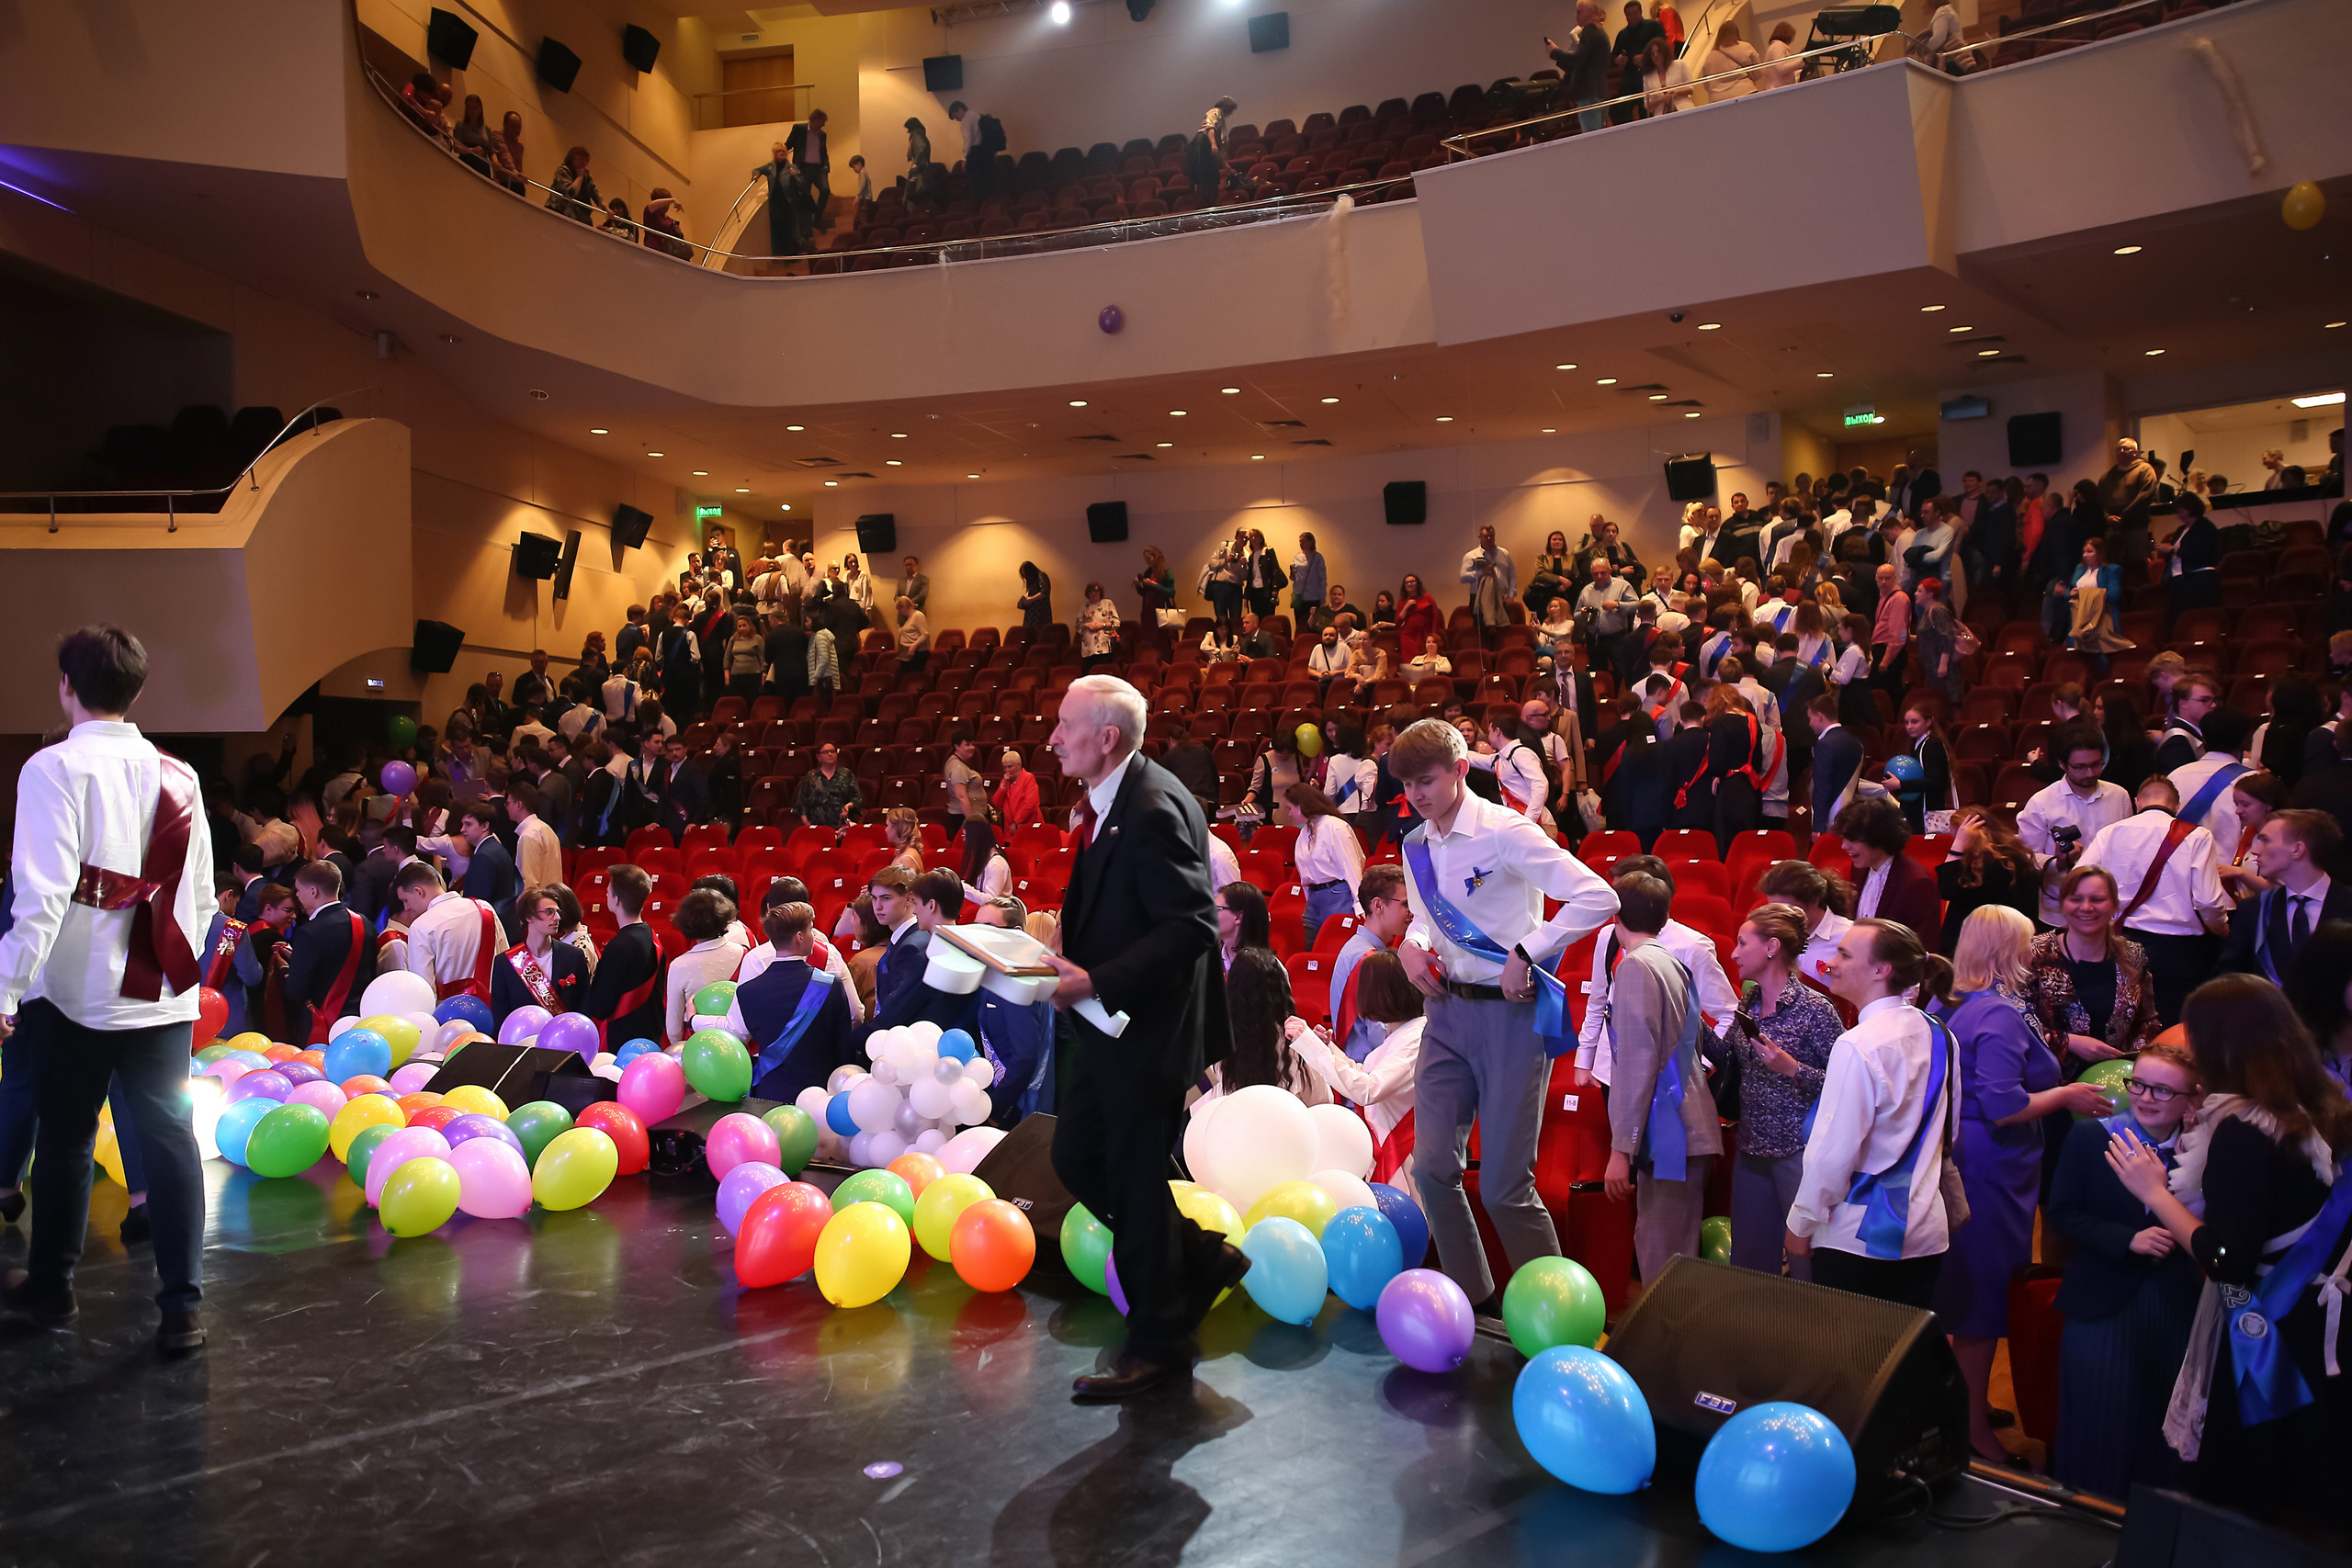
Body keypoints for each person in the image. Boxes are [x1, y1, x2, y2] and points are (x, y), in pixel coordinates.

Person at [0, 627, 211, 1352]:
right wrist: (176, 972)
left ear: (66, 684)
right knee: (170, 1142)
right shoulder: (181, 774)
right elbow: (204, 897)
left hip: (76, 995)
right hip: (162, 995)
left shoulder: (51, 768)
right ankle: (183, 1308)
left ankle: (54, 1294)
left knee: (65, 1139)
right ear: (138, 691)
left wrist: (5, 989)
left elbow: (42, 893)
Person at [1035, 675, 1242, 1400]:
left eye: (1065, 725)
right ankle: (1200, 1257)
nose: (1054, 737)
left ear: (1107, 737)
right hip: (1113, 1023)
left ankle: (1158, 1345)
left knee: (1125, 1171)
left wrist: (1091, 980)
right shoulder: (1121, 796)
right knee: (1079, 1153)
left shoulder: (1150, 805)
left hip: (1144, 1028)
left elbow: (1191, 926)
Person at [2104, 975, 2352, 1527]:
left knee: (2253, 1491)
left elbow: (2226, 1260)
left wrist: (2154, 1193)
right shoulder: (2319, 1104)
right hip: (2321, 1321)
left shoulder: (2244, 1129)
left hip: (2271, 1331)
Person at [1389, 718, 1619, 1308]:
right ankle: (1477, 1304)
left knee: (1504, 1187)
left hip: (1511, 1017)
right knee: (1433, 1169)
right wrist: (1411, 944)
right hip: (1445, 1016)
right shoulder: (1415, 845)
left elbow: (1600, 897)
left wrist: (1528, 951)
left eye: (1427, 780)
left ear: (1461, 770)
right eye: (1408, 783)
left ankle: (1560, 1316)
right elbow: (1425, 917)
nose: (1417, 794)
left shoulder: (1506, 831)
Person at [1928, 907, 2117, 1461]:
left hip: (1962, 1153)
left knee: (1960, 1287)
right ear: (2008, 949)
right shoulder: (2001, 1013)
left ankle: (1964, 1403)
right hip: (1992, 1165)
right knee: (1984, 1295)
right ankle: (1970, 1429)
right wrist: (2068, 1096)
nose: (2035, 953)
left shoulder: (1945, 1000)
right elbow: (2005, 1105)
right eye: (2029, 944)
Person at [2046, 1038, 2206, 1497]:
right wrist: (2125, 1239)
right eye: (2139, 1085)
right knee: (2099, 1424)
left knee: (2164, 1427)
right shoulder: (2091, 1137)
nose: (2145, 1098)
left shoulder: (2203, 1152)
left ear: (2190, 1099)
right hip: (2102, 1300)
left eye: (2162, 1091)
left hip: (2175, 1303)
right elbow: (2062, 1213)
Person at [1785, 919, 1958, 1306]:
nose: (1832, 962)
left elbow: (1833, 1153)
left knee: (1850, 1362)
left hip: (1857, 1237)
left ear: (1882, 970)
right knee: (1901, 1361)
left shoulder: (1858, 1044)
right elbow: (1950, 1132)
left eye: (1845, 954)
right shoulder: (1940, 1033)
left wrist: (1801, 1221)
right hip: (1927, 1232)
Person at [1593, 873, 1722, 1281]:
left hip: (1671, 1131)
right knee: (1672, 1258)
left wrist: (1620, 1149)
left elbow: (1635, 1064)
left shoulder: (1635, 967)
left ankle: (1668, 1346)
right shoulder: (1672, 962)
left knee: (1663, 1263)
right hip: (1684, 1126)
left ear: (1615, 913)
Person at [1721, 904, 1843, 1280]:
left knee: (1807, 1264)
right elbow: (1725, 1055)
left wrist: (1793, 1069)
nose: (1734, 952)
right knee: (1750, 1265)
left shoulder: (1815, 1009)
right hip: (1752, 1150)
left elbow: (1846, 1083)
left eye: (1743, 943)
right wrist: (1684, 1015)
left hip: (1798, 1155)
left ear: (1772, 947)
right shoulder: (1749, 1002)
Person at [2080, 776, 2228, 1026]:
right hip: (2178, 949)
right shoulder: (2197, 835)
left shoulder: (2110, 832)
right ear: (2177, 806)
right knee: (2172, 1023)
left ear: (2137, 802)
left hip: (2121, 941)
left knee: (2126, 1020)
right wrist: (2221, 929)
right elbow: (2207, 901)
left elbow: (2080, 877)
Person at [1288, 951, 1425, 1201]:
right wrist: (1326, 1047)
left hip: (1405, 1154)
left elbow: (1368, 1089)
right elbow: (1364, 1073)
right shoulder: (1401, 1034)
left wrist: (1311, 1045)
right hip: (1389, 1150)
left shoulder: (1415, 1037)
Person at [721, 900, 855, 1103]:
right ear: (799, 937)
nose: (814, 936)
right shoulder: (831, 985)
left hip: (769, 1095)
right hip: (820, 1095)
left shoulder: (747, 991)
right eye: (811, 930)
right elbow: (843, 1048)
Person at [2018, 722, 2134, 926]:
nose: (2090, 773)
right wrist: (2059, 862)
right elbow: (2026, 858)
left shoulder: (2119, 796)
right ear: (2062, 764)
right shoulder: (2041, 802)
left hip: (2109, 907)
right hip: (2059, 910)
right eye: (2080, 767)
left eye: (2096, 764)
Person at [2221, 809, 2352, 981]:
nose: (2255, 851)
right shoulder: (2253, 910)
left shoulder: (2348, 904)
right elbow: (2230, 978)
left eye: (2265, 840)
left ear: (2297, 849)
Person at [284, 861, 372, 1047]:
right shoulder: (364, 923)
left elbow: (295, 991)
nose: (297, 895)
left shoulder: (309, 932)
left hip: (321, 1024)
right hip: (361, 1021)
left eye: (299, 890)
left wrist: (287, 970)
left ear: (313, 891)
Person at [581, 865, 664, 1049]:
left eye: (608, 892)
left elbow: (601, 1007)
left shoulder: (618, 946)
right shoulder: (652, 937)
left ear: (617, 900)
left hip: (624, 1039)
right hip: (651, 1033)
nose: (606, 895)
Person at [1935, 807, 2039, 954]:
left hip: (1984, 947)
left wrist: (1956, 849)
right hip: (2012, 941)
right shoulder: (2013, 857)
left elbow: (1947, 889)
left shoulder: (1987, 865)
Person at [1833, 796, 1942, 934]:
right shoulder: (1861, 868)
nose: (1844, 846)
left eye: (1852, 839)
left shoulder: (1917, 884)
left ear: (1878, 836)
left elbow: (1921, 949)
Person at [492, 885, 590, 1029]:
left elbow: (584, 1006)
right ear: (529, 917)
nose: (557, 917)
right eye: (549, 912)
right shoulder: (504, 962)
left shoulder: (574, 956)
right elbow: (500, 1015)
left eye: (557, 912)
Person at [1284, 783, 1363, 947]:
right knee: (1310, 946)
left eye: (1290, 808)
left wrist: (1359, 902)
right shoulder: (1303, 834)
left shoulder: (1335, 826)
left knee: (1337, 946)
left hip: (1338, 894)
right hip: (1314, 899)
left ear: (1301, 807)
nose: (1290, 813)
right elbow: (1305, 875)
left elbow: (1351, 865)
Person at [1544, 4, 1614, 133]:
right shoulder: (1600, 31)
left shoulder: (1591, 29)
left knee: (1592, 139)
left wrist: (1555, 52)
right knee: (1598, 138)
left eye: (1579, 11)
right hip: (1599, 92)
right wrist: (1557, 56)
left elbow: (1578, 58)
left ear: (1590, 11)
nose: (1576, 15)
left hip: (1589, 94)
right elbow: (1583, 65)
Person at [1460, 524, 1518, 640]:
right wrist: (1481, 572)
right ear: (1479, 537)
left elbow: (1512, 574)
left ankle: (1501, 656)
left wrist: (1511, 594)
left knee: (1502, 632)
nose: (1489, 539)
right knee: (1484, 634)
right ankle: (1487, 656)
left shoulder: (1504, 554)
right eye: (1486, 536)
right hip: (1478, 597)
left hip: (1502, 597)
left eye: (1492, 536)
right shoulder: (1471, 556)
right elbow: (1463, 577)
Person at [793, 741, 860, 829]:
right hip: (817, 826)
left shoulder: (847, 774)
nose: (830, 754)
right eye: (826, 752)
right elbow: (802, 802)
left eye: (833, 751)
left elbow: (856, 798)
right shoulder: (811, 776)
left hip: (841, 826)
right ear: (818, 757)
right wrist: (806, 823)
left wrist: (848, 806)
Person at [1186, 95, 1238, 203]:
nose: (1231, 114)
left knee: (1211, 178)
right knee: (1204, 177)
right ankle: (1204, 204)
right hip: (1204, 142)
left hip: (1206, 142)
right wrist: (1213, 144)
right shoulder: (1216, 111)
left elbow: (1218, 141)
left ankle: (1209, 204)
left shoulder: (1221, 120)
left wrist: (1225, 164)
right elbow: (1211, 128)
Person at [1702, 19, 1762, 98]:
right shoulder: (1746, 47)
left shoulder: (1710, 56)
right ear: (1736, 32)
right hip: (1745, 91)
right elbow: (1758, 73)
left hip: (1719, 98)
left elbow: (1706, 85)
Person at [547, 145, 600, 225]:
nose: (584, 163)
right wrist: (580, 177)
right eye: (582, 159)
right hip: (559, 211)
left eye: (586, 160)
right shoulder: (563, 171)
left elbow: (594, 192)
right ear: (573, 157)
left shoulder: (586, 176)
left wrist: (605, 208)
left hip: (578, 216)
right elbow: (570, 192)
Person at [1078, 582, 1120, 671]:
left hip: (1103, 647)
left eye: (1096, 590)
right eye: (1091, 591)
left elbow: (1116, 623)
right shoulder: (1084, 607)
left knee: (1102, 672)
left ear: (1100, 592)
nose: (1093, 593)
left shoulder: (1107, 604)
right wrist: (1087, 625)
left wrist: (1102, 625)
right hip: (1088, 648)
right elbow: (1078, 626)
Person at [994, 748, 1041, 829]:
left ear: (1019, 765)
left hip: (1027, 825)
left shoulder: (1028, 778)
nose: (1007, 770)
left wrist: (1017, 822)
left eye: (1010, 767)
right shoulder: (1005, 781)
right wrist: (1004, 785)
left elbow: (1030, 805)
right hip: (1010, 829)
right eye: (1005, 767)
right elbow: (996, 802)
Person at [1395, 573, 1440, 654]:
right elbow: (1398, 622)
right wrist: (1406, 607)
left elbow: (1435, 616)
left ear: (1417, 583)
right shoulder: (1402, 602)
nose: (1409, 584)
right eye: (1407, 582)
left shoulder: (1427, 597)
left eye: (1412, 581)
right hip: (1408, 637)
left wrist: (1433, 634)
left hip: (1425, 635)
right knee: (1410, 663)